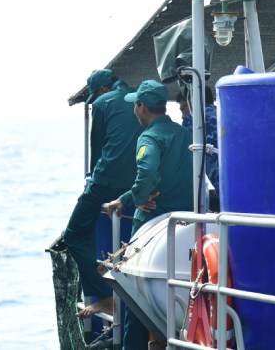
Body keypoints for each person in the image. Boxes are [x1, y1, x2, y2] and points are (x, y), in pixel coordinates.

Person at [106, 80, 194, 350]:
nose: (134, 109)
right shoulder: (184, 135)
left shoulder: (149, 138)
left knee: (135, 297)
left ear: (142, 107)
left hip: (152, 227)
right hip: (187, 226)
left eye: (135, 104)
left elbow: (147, 173)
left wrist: (140, 198)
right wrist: (126, 198)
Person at [66, 69, 143, 318]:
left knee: (74, 235)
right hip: (137, 184)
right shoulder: (140, 97)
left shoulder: (101, 103)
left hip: (107, 182)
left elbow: (97, 148)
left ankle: (105, 297)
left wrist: (92, 181)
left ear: (101, 90)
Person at [177, 85, 219, 211]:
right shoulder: (225, 113)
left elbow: (182, 157)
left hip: (222, 181)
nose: (182, 115)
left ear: (192, 102)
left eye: (184, 108)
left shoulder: (193, 120)